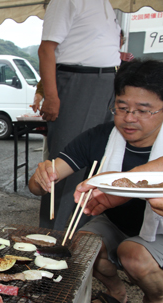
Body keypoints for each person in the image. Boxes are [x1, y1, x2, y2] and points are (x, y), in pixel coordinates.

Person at [29, 59, 163, 303]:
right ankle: (117, 294)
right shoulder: (100, 137)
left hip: (159, 230)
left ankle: (157, 300)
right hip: (117, 223)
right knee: (82, 244)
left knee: (133, 254)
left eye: (143, 110)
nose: (129, 117)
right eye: (122, 107)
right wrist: (41, 177)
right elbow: (38, 185)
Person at [37, 0, 121, 230]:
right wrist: (51, 97)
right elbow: (46, 49)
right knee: (69, 164)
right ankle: (54, 237)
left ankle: (86, 231)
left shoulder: (104, 3)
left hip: (109, 82)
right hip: (80, 82)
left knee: (102, 159)